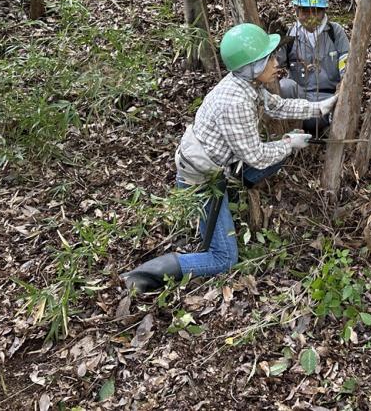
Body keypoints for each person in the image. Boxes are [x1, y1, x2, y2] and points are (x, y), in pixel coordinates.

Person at [122, 23, 338, 293]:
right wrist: (288, 143)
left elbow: (277, 106)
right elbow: (257, 156)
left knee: (279, 155)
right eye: (268, 58)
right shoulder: (235, 102)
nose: (275, 62)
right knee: (223, 257)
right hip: (201, 182)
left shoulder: (247, 84)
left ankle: (234, 193)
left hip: (221, 168)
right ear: (252, 67)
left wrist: (318, 107)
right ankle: (141, 277)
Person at [277, 0, 349, 136]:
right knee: (284, 86)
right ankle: (293, 131)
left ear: (324, 11)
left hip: (328, 101)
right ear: (296, 10)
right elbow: (271, 65)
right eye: (305, 11)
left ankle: (327, 128)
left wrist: (341, 91)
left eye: (316, 11)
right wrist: (274, 41)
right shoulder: (290, 35)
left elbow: (347, 67)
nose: (310, 16)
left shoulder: (335, 33)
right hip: (299, 103)